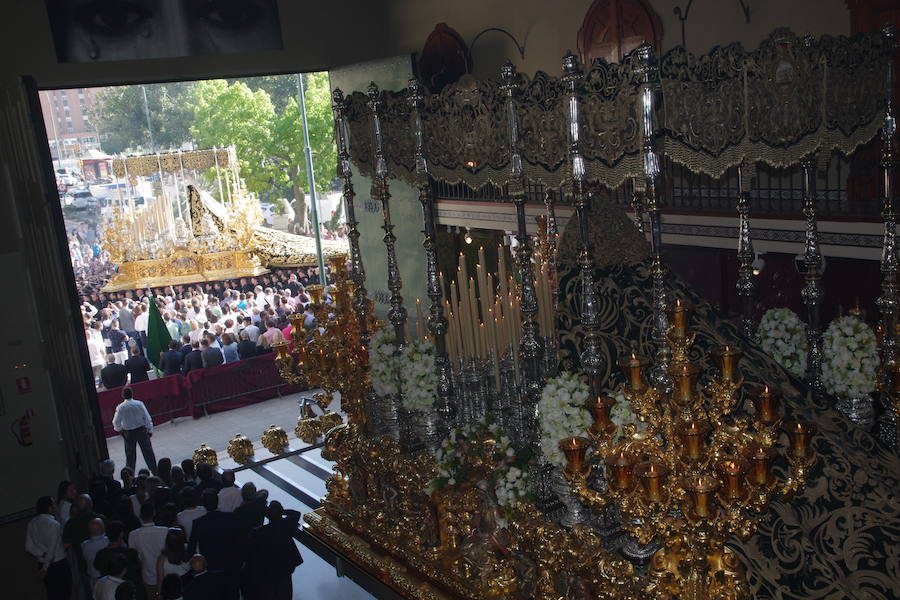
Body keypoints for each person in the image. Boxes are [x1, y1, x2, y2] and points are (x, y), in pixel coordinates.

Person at [242, 501, 303, 600]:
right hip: (284, 569)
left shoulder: (259, 532)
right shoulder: (285, 524)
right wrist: (281, 511)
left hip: (267, 572)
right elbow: (296, 513)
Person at [187, 491, 245, 576]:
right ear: (217, 502)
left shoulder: (198, 523)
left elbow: (191, 548)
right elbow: (240, 540)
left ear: (203, 504)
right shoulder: (231, 517)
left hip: (210, 567)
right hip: (231, 564)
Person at [25, 496, 71, 600]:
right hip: (58, 565)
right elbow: (52, 548)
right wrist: (45, 568)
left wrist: (41, 554)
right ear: (50, 508)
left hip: (42, 564)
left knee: (52, 595)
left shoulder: (32, 523)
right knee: (64, 594)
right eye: (53, 504)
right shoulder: (53, 524)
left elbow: (28, 547)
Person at [112, 387, 157, 474]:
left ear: (122, 395)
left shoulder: (120, 407)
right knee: (148, 452)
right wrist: (150, 430)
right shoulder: (139, 404)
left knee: (130, 455)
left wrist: (120, 430)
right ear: (132, 394)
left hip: (128, 433)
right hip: (141, 430)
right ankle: (155, 471)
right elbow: (147, 418)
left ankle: (129, 474)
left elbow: (116, 421)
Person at [129, 502, 168, 600]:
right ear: (154, 513)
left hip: (147, 575)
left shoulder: (133, 535)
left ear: (140, 515)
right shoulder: (165, 531)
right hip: (165, 572)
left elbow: (134, 557)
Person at [81, 517, 109, 586]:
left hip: (93, 579)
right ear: (103, 528)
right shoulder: (109, 541)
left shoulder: (84, 545)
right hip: (108, 578)